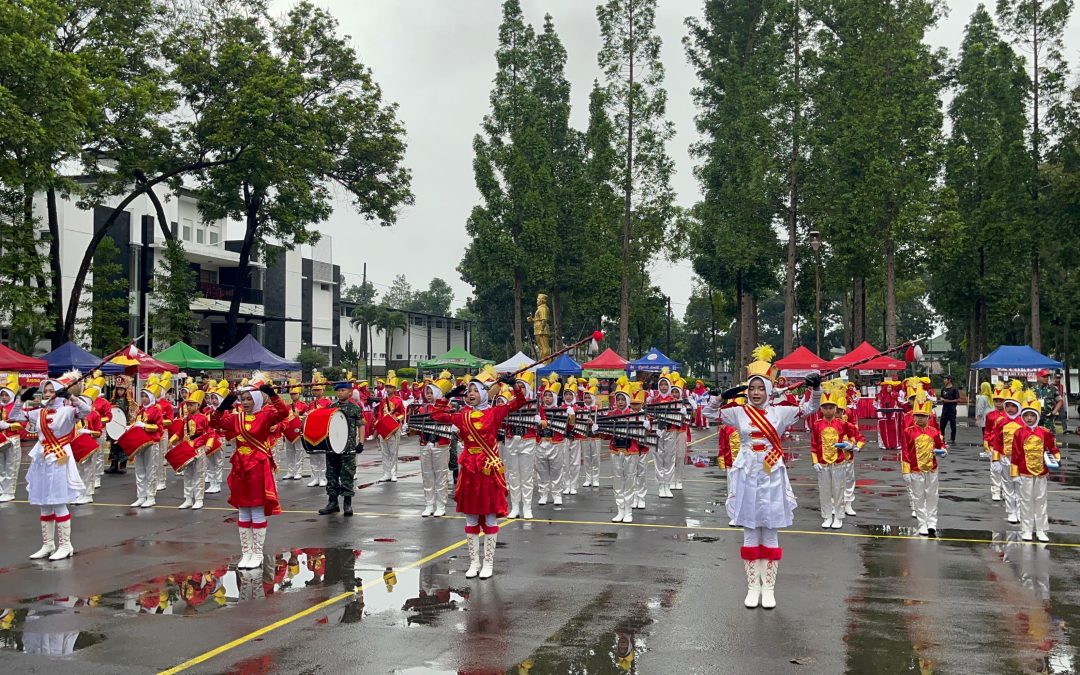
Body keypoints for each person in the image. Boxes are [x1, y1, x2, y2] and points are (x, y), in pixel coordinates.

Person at [707, 345, 821, 610]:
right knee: (749, 530)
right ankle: (752, 587)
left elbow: (810, 408)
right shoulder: (738, 412)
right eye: (752, 388)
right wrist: (720, 397)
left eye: (761, 388)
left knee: (769, 530)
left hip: (771, 473)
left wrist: (815, 389)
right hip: (746, 473)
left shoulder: (780, 411)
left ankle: (768, 588)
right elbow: (710, 414)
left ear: (769, 390)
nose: (756, 393)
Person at [430, 376, 527, 579]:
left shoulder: (494, 413)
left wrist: (513, 385)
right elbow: (437, 415)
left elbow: (519, 402)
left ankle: (488, 563)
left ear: (483, 394)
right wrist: (447, 396)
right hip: (469, 471)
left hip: (488, 470)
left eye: (475, 391)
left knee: (490, 515)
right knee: (471, 516)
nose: (470, 394)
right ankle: (474, 562)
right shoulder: (461, 416)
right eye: (468, 391)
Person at [7, 371, 90, 560]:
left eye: (52, 390)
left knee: (58, 501)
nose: (47, 393)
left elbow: (87, 411)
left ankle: (65, 545)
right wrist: (20, 399)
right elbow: (15, 417)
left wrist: (71, 397)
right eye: (45, 390)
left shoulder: (68, 411)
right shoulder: (39, 412)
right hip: (43, 458)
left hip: (59, 456)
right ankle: (48, 544)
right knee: (44, 503)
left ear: (59, 392)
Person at [209, 376, 289, 569]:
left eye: (249, 399)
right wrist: (225, 404)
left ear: (257, 400)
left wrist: (272, 394)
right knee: (243, 510)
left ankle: (258, 553)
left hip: (258, 465)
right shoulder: (236, 417)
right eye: (242, 399)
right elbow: (214, 423)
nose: (245, 403)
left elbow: (283, 412)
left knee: (256, 508)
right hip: (240, 467)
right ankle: (247, 552)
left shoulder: (266, 415)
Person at [810, 385, 865, 529]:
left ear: (836, 408)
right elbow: (814, 444)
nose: (828, 410)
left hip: (839, 462)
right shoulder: (816, 425)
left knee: (838, 490)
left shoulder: (843, 424)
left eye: (831, 407)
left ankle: (839, 517)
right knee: (824, 491)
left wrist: (851, 446)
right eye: (825, 407)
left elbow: (858, 437)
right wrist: (815, 461)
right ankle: (827, 516)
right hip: (822, 463)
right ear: (821, 408)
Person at [1011, 390, 1060, 542]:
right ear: (1022, 416)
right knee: (1025, 500)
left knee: (1040, 500)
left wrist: (1055, 459)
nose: (1029, 418)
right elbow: (1016, 454)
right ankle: (1026, 529)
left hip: (1041, 472)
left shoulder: (1045, 432)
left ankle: (1041, 529)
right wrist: (1015, 473)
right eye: (1026, 415)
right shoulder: (1018, 433)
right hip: (1024, 472)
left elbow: (1053, 449)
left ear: (1037, 416)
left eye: (1032, 415)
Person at [901, 392, 947, 537]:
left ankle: (932, 522)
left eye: (923, 416)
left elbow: (941, 446)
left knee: (933, 495)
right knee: (918, 497)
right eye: (917, 415)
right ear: (913, 416)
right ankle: (922, 523)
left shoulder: (934, 432)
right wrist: (906, 471)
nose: (920, 419)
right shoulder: (908, 432)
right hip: (915, 470)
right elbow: (905, 451)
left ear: (929, 417)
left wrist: (943, 452)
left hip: (932, 469)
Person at [318, 382, 364, 517]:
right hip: (332, 447)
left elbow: (361, 425)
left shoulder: (355, 408)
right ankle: (332, 503)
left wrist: (360, 442)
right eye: (338, 391)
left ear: (350, 393)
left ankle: (347, 504)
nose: (340, 393)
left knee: (347, 475)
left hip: (348, 448)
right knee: (331, 475)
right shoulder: (331, 408)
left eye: (343, 390)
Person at [416, 378, 452, 518]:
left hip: (440, 444)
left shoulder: (447, 408)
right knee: (427, 476)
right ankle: (429, 505)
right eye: (427, 392)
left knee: (441, 475)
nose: (429, 395)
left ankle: (441, 505)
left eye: (431, 392)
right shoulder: (422, 408)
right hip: (425, 444)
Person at [502, 372, 537, 519]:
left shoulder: (534, 404)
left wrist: (540, 421)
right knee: (513, 476)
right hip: (511, 440)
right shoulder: (509, 404)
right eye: (518, 387)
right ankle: (515, 506)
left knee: (527, 476)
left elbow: (544, 422)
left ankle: (527, 507)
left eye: (523, 387)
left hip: (527, 440)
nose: (520, 389)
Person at [990, 381, 1025, 524]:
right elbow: (996, 442)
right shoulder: (1000, 422)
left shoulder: (1024, 422)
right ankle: (1011, 511)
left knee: (1021, 487)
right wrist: (996, 460)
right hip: (1005, 459)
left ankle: (1021, 511)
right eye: (1008, 406)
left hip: (1021, 461)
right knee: (1008, 486)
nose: (1010, 409)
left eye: (1013, 406)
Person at [128, 384, 164, 508]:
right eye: (142, 396)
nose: (143, 398)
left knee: (150, 471)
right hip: (139, 444)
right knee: (139, 471)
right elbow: (137, 424)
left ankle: (150, 496)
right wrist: (131, 427)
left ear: (151, 397)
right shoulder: (141, 410)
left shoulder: (156, 409)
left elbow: (159, 428)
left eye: (146, 396)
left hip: (151, 443)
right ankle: (141, 496)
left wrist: (145, 426)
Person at [175, 390, 209, 510]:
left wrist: (208, 445)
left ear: (198, 405)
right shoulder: (185, 419)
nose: (188, 407)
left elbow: (210, 433)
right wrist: (171, 441)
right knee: (188, 475)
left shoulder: (203, 418)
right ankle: (188, 499)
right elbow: (180, 432)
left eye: (191, 405)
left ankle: (199, 499)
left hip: (198, 449)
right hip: (186, 449)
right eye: (187, 405)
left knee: (199, 475)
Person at [535, 382, 567, 507]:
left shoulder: (561, 411)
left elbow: (568, 428)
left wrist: (571, 417)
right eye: (545, 395)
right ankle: (543, 494)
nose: (547, 397)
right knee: (541, 470)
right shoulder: (537, 411)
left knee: (556, 470)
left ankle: (557, 495)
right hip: (541, 443)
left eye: (549, 395)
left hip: (555, 443)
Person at [375, 378, 405, 482]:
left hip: (394, 428)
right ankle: (386, 473)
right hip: (384, 428)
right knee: (385, 452)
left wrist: (398, 418)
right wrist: (378, 423)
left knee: (393, 452)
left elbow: (403, 412)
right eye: (387, 387)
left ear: (394, 388)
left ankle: (393, 473)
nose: (387, 389)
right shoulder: (383, 400)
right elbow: (379, 413)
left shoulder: (398, 400)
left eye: (390, 387)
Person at [0, 375, 24, 502]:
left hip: (12, 439)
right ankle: (1, 489)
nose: (3, 397)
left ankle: (9, 491)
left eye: (6, 395)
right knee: (0, 466)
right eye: (2, 395)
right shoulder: (0, 407)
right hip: (0, 439)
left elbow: (22, 425)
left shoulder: (16, 408)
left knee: (11, 466)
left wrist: (8, 425)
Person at [984, 383, 1008, 501]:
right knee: (995, 469)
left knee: (1006, 470)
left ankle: (1005, 490)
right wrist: (986, 441)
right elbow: (987, 430)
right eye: (996, 400)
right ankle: (995, 490)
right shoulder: (990, 415)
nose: (998, 403)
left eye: (1001, 400)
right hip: (994, 445)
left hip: (1007, 446)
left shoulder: (1009, 414)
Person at [561, 379, 583, 496]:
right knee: (565, 462)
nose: (568, 397)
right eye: (566, 394)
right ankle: (566, 484)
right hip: (564, 437)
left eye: (570, 394)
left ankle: (573, 485)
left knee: (575, 462)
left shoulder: (578, 408)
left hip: (575, 437)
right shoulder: (560, 407)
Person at [579, 385, 602, 489]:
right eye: (585, 398)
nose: (587, 400)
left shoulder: (597, 408)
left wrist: (594, 423)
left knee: (596, 458)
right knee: (587, 458)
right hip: (585, 436)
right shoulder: (581, 409)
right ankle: (588, 479)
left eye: (589, 398)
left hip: (595, 437)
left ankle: (596, 479)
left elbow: (602, 422)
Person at [938, 376, 960, 444]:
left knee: (952, 425)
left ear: (949, 380)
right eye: (944, 379)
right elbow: (941, 396)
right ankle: (942, 437)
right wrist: (942, 399)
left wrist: (948, 401)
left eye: (945, 379)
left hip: (952, 409)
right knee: (942, 424)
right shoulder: (943, 388)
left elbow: (958, 399)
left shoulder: (954, 389)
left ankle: (952, 438)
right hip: (945, 410)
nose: (944, 381)